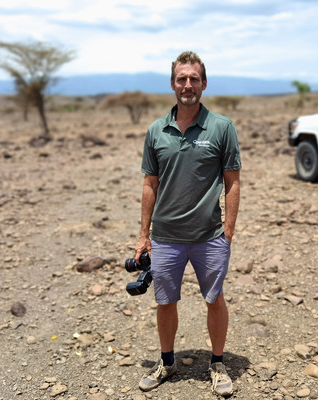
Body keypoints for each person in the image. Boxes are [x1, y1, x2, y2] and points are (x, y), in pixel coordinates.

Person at [133, 50, 241, 397]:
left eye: (194, 78)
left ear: (204, 83)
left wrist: (229, 230)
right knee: (166, 301)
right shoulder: (156, 130)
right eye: (182, 78)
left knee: (215, 299)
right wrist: (142, 234)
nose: (188, 84)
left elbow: (233, 180)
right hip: (165, 237)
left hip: (210, 235)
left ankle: (218, 364)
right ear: (172, 84)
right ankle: (167, 362)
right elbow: (150, 184)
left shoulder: (222, 127)